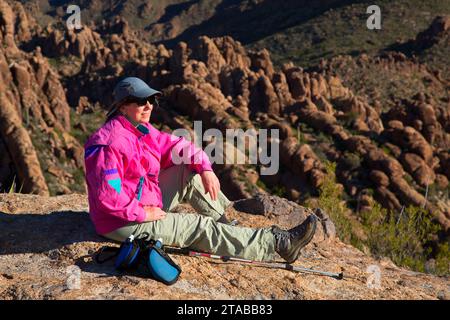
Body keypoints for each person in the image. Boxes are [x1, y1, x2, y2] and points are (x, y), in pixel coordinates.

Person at [84, 77, 317, 263]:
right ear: (123, 106)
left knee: (187, 170)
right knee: (197, 227)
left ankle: (226, 230)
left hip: (142, 202)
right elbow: (110, 196)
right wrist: (144, 214)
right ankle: (277, 243)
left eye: (151, 100)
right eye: (141, 101)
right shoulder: (108, 144)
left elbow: (177, 146)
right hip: (121, 222)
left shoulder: (141, 131)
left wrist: (205, 168)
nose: (148, 106)